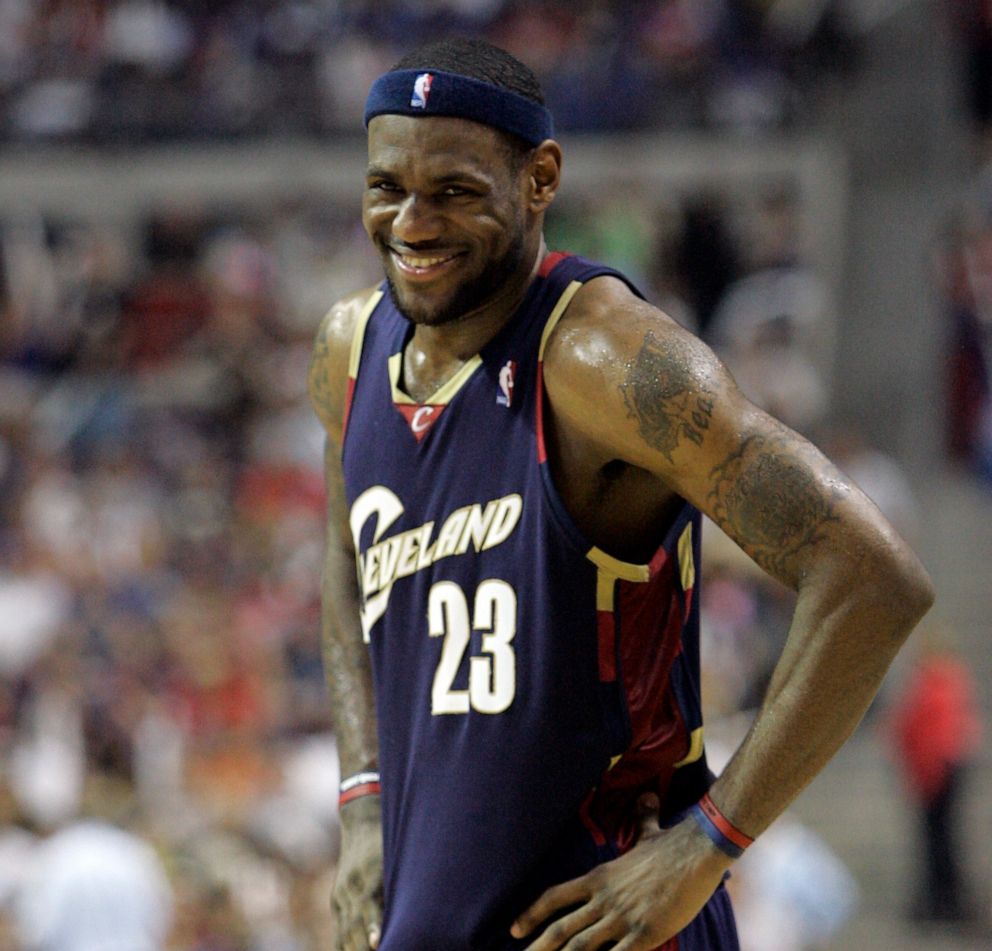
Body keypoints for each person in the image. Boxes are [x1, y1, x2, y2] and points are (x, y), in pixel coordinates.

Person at [307, 37, 935, 951]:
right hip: (429, 905)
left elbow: (874, 577)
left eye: (453, 191)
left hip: (604, 917)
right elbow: (344, 569)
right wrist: (363, 801)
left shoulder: (606, 359)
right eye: (386, 188)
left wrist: (709, 842)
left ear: (540, 178)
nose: (412, 222)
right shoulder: (348, 351)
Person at [887, 623, 982, 923]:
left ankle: (946, 901)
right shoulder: (936, 680)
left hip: (938, 770)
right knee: (936, 841)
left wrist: (930, 771)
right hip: (934, 769)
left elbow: (936, 732)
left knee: (941, 841)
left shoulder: (939, 680)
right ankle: (942, 899)